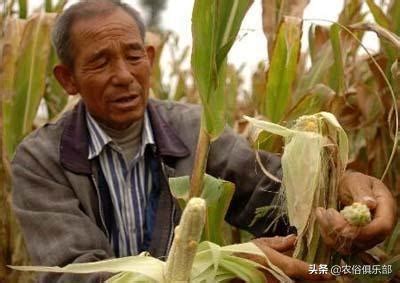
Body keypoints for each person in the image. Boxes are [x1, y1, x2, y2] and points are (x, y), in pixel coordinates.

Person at [11, 0, 396, 282]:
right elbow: (75, 274)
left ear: (149, 56)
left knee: (376, 273)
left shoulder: (194, 129)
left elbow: (274, 196)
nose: (125, 75)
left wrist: (340, 191)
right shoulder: (41, 159)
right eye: (100, 62)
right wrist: (230, 264)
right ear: (68, 80)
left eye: (133, 56)